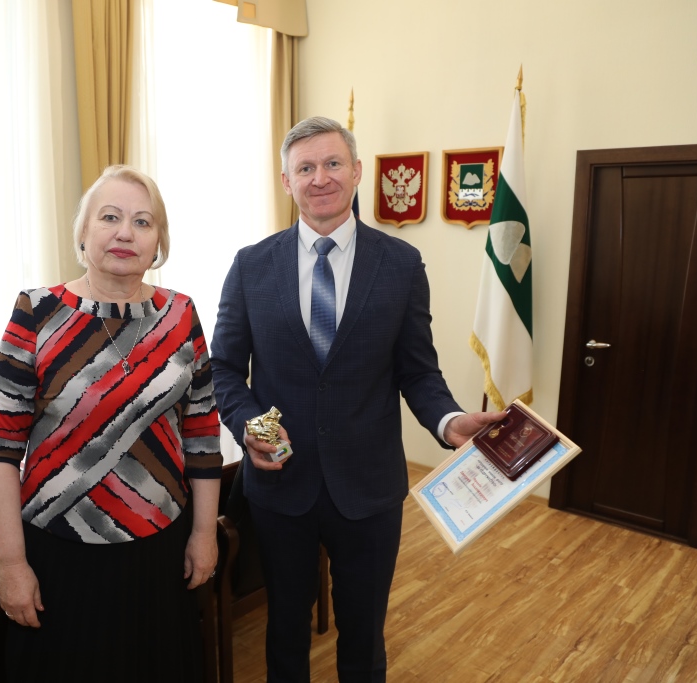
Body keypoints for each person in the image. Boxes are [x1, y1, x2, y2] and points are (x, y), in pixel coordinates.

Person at [210, 116, 505, 683]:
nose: (320, 177)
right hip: (280, 486)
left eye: (332, 163)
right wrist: (252, 428)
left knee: (365, 637)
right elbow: (224, 367)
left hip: (369, 490)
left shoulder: (400, 264)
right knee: (285, 632)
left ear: (357, 171)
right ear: (286, 181)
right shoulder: (251, 266)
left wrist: (448, 421)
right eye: (305, 168)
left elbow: (417, 371)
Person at [0, 165, 223, 682]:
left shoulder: (181, 314)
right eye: (110, 217)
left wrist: (204, 534)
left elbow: (202, 436)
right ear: (84, 232)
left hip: (160, 553)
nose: (125, 232)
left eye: (142, 221)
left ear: (158, 242)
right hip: (60, 554)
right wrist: (11, 566)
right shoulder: (37, 312)